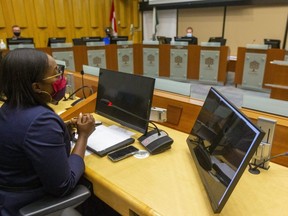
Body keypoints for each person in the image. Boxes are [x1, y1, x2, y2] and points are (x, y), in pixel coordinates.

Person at [0, 48, 96, 215]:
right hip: (25, 205)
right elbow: (64, 185)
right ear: (36, 86)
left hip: (8, 197)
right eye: (55, 74)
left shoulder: (8, 108)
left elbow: (22, 137)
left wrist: (63, 129)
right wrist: (83, 136)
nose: (61, 79)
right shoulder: (40, 121)